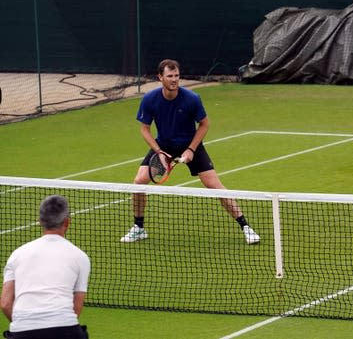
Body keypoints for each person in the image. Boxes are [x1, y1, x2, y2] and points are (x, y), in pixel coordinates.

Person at [120, 59, 260, 244]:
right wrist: (160, 153)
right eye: (170, 76)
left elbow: (204, 124)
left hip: (190, 144)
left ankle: (246, 227)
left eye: (177, 76)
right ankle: (139, 227)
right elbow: (144, 129)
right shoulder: (150, 99)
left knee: (214, 185)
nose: (174, 80)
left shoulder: (191, 99)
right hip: (164, 146)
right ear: (160, 77)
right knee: (139, 182)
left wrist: (191, 149)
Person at [1, 195, 91, 339]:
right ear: (67, 222)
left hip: (22, 330)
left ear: (40, 221)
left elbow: (5, 304)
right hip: (65, 329)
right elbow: (77, 306)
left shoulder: (17, 254)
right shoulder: (80, 257)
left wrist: (25, 326)